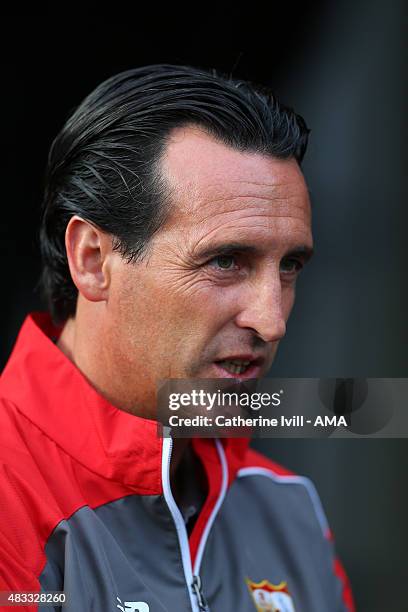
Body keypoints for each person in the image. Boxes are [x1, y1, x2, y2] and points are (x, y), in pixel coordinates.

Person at [0, 64, 354, 611]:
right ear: (93, 260)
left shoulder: (289, 510)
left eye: (289, 266)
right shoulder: (10, 497)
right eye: (226, 260)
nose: (272, 319)